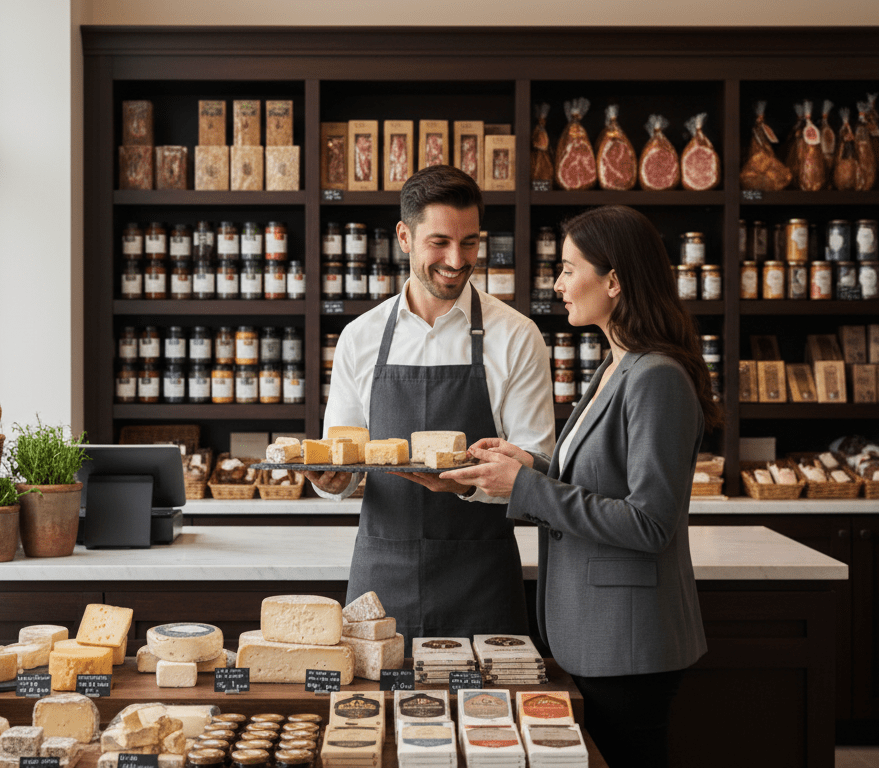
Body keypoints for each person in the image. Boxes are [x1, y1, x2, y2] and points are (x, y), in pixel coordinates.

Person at [444, 205, 720, 768]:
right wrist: (528, 467)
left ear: (614, 280)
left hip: (631, 644)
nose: (558, 283)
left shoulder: (657, 377)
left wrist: (524, 486)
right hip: (597, 637)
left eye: (569, 269)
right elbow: (600, 484)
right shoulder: (614, 369)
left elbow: (650, 523)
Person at [305, 165, 555, 645]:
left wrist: (464, 486)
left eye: (469, 243)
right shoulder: (360, 338)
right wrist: (332, 482)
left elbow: (537, 468)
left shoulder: (517, 336)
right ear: (404, 236)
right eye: (439, 242)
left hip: (481, 580)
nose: (456, 259)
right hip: (382, 580)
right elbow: (343, 458)